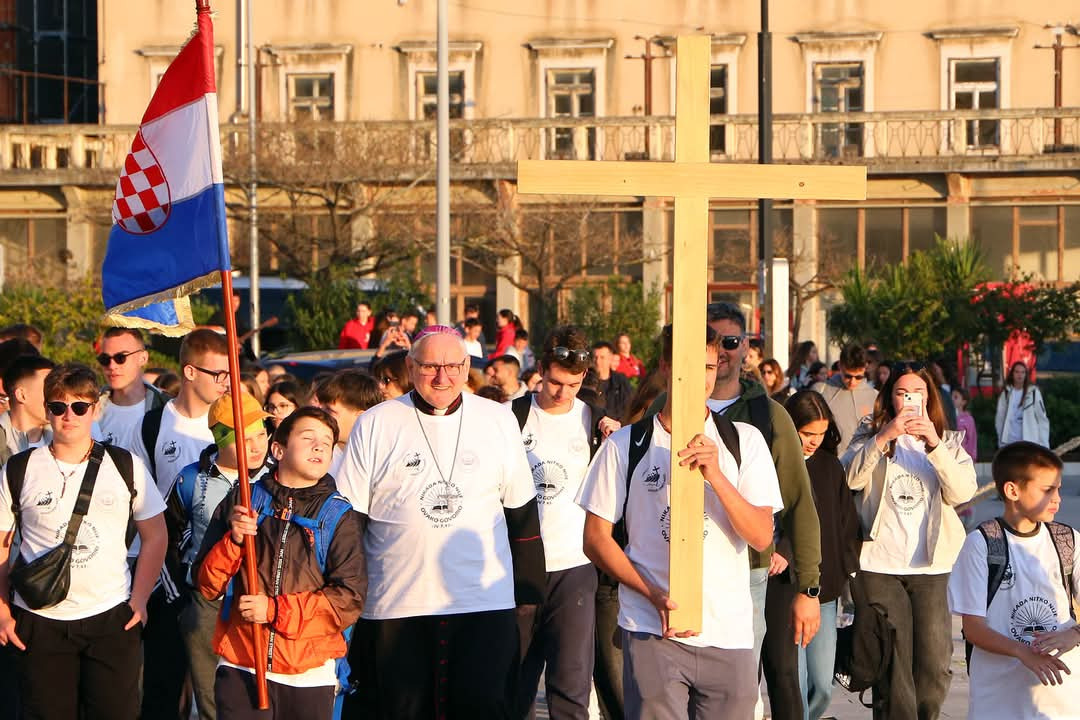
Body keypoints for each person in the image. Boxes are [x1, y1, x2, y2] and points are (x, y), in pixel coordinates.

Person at [336, 325, 544, 719]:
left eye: (452, 366)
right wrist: (347, 594)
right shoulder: (377, 422)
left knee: (483, 706)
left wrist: (529, 592)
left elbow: (521, 509)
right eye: (431, 366)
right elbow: (351, 521)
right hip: (397, 600)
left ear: (467, 368)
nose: (442, 377)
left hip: (482, 602)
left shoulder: (497, 419)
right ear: (411, 367)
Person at [577, 324, 782, 720]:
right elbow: (595, 538)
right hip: (653, 629)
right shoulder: (626, 445)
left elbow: (760, 536)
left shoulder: (745, 441)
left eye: (709, 366)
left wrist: (717, 476)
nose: (700, 378)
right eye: (689, 366)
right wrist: (650, 592)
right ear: (666, 367)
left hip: (728, 632)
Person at [0, 363, 168, 719]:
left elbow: (156, 535)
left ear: (94, 409)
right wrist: (1, 610)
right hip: (39, 618)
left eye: (79, 407)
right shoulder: (18, 468)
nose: (69, 416)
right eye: (59, 407)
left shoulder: (126, 465)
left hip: (111, 617)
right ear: (46, 411)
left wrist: (139, 600)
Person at [197, 407, 367, 719]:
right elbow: (207, 585)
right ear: (278, 449)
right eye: (308, 438)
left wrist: (274, 611)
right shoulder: (244, 499)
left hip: (309, 674)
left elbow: (348, 600)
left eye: (327, 443)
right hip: (242, 663)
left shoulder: (339, 516)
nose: (319, 446)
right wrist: (233, 542)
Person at [703, 303, 822, 720]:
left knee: (741, 693)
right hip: (679, 570)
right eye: (711, 340)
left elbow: (800, 503)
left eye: (730, 341)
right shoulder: (666, 407)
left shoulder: (769, 416)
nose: (720, 351)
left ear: (746, 348)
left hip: (746, 572)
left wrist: (808, 590)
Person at [843, 362, 977, 719]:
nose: (909, 401)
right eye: (902, 393)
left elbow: (963, 492)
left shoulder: (948, 441)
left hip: (931, 568)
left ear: (929, 398)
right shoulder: (870, 435)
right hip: (878, 566)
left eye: (917, 394)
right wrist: (883, 437)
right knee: (893, 663)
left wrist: (933, 443)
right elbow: (849, 481)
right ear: (890, 398)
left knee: (934, 664)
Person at [512, 326, 619, 720]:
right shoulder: (512, 415)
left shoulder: (594, 418)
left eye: (573, 384)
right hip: (520, 566)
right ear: (540, 369)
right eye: (555, 382)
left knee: (572, 687)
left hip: (575, 565)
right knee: (515, 686)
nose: (562, 393)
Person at [132, 327, 230, 720]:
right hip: (168, 575)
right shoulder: (153, 425)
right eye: (217, 374)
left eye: (229, 375)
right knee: (163, 682)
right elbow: (139, 501)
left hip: (223, 574)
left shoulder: (229, 421)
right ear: (190, 372)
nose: (226, 383)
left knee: (215, 689)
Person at [948, 442, 1080, 720]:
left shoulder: (1068, 541)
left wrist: (1074, 634)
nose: (1057, 498)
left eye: (1058, 488)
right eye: (1047, 490)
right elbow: (973, 629)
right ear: (1012, 491)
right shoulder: (981, 544)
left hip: (1061, 703)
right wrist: (1023, 653)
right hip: (998, 702)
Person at [170, 392, 271, 720]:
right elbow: (169, 537)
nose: (257, 446)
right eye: (245, 438)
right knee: (211, 697)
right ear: (219, 438)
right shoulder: (189, 478)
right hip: (206, 599)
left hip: (260, 598)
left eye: (262, 435)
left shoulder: (275, 478)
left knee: (258, 692)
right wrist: (181, 596)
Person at [783, 391, 860, 720]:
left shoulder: (830, 466)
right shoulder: (773, 463)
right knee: (794, 682)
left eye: (821, 434)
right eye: (807, 433)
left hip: (825, 591)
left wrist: (846, 572)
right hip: (784, 589)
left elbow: (846, 524)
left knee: (822, 683)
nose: (814, 442)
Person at [97, 327, 169, 450]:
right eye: (105, 359)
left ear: (143, 358)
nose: (112, 365)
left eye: (120, 358)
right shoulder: (87, 408)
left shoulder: (166, 409)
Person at [811, 343, 879, 457]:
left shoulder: (875, 396)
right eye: (847, 376)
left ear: (865, 368)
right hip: (830, 462)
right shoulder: (821, 391)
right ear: (840, 366)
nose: (852, 382)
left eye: (858, 377)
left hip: (863, 464)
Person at [314, 369, 382, 477]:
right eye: (321, 409)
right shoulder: (314, 452)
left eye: (330, 410)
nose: (320, 416)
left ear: (361, 417)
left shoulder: (381, 457)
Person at [0, 354, 55, 463]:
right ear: (21, 395)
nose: (56, 396)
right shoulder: (3, 444)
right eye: (48, 388)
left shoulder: (65, 441)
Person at [995, 361, 1050, 448]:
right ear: (1012, 374)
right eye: (1017, 372)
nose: (1019, 375)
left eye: (1022, 372)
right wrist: (1001, 440)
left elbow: (1042, 419)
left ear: (1026, 374)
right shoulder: (1006, 393)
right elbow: (1000, 418)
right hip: (1010, 441)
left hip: (1029, 440)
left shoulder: (1033, 392)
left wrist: (1044, 444)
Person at [588, 341, 632, 422]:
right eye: (595, 357)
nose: (597, 361)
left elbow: (628, 407)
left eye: (602, 357)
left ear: (610, 359)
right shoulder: (586, 382)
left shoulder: (621, 381)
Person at [952, 387, 978, 462]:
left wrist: (972, 457)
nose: (952, 399)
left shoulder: (968, 419)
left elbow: (972, 439)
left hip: (964, 457)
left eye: (956, 397)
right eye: (951, 397)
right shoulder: (947, 417)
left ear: (964, 402)